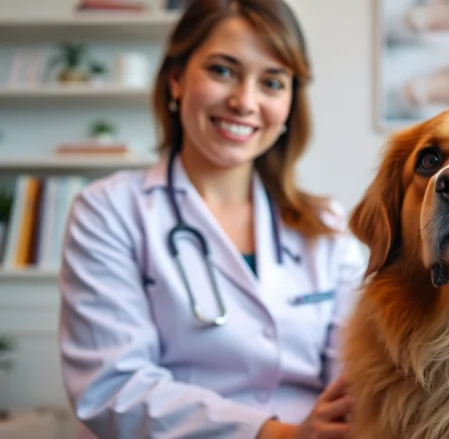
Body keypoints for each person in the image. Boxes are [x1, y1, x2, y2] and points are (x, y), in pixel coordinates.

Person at [57, 1, 366, 438]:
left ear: (290, 102)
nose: (245, 102)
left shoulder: (326, 226)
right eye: (223, 71)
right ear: (177, 79)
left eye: (272, 82)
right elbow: (113, 388)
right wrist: (281, 434)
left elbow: (359, 364)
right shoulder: (108, 211)